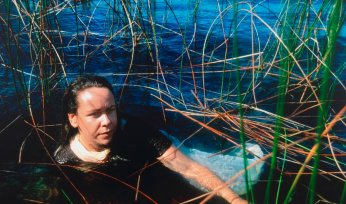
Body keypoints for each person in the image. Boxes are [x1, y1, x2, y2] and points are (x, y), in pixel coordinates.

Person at [54, 75, 247, 204]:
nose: (107, 121)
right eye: (95, 114)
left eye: (111, 110)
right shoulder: (64, 160)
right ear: (73, 119)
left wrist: (234, 199)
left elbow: (187, 167)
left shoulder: (136, 131)